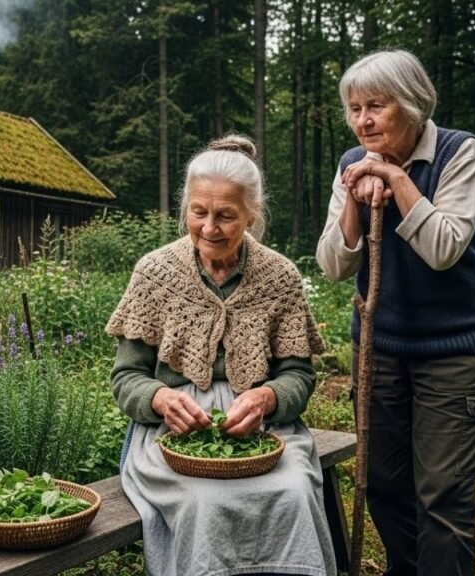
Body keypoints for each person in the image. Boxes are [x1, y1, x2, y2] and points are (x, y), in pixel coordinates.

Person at [107, 134, 336, 576]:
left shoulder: (280, 276)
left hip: (265, 432)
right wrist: (157, 398)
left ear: (252, 214)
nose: (209, 228)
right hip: (171, 436)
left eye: (226, 216)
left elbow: (298, 375)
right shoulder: (156, 272)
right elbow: (126, 377)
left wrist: (269, 398)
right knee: (204, 501)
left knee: (293, 492)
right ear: (186, 208)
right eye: (199, 212)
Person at [316, 50, 475, 576]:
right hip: (379, 350)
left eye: (376, 105)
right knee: (385, 481)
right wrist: (355, 191)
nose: (363, 120)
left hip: (455, 350)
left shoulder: (458, 152)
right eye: (354, 108)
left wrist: (395, 180)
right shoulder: (352, 163)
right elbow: (332, 263)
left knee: (443, 496)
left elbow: (444, 247)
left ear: (412, 104)